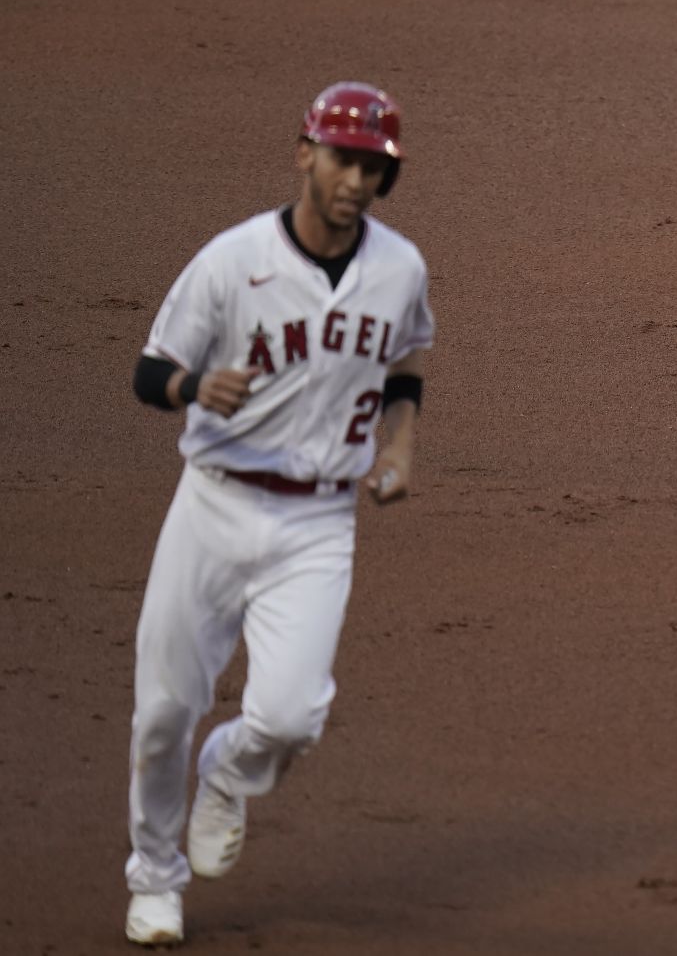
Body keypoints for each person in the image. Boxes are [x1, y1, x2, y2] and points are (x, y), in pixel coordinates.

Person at [121, 83, 435, 946]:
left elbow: (406, 365)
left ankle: (230, 769)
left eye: (374, 167)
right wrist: (194, 386)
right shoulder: (231, 261)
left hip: (319, 524)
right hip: (213, 508)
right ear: (305, 151)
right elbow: (151, 372)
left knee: (291, 717)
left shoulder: (400, 268)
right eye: (344, 158)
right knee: (161, 716)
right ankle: (154, 879)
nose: (357, 180)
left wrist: (399, 448)